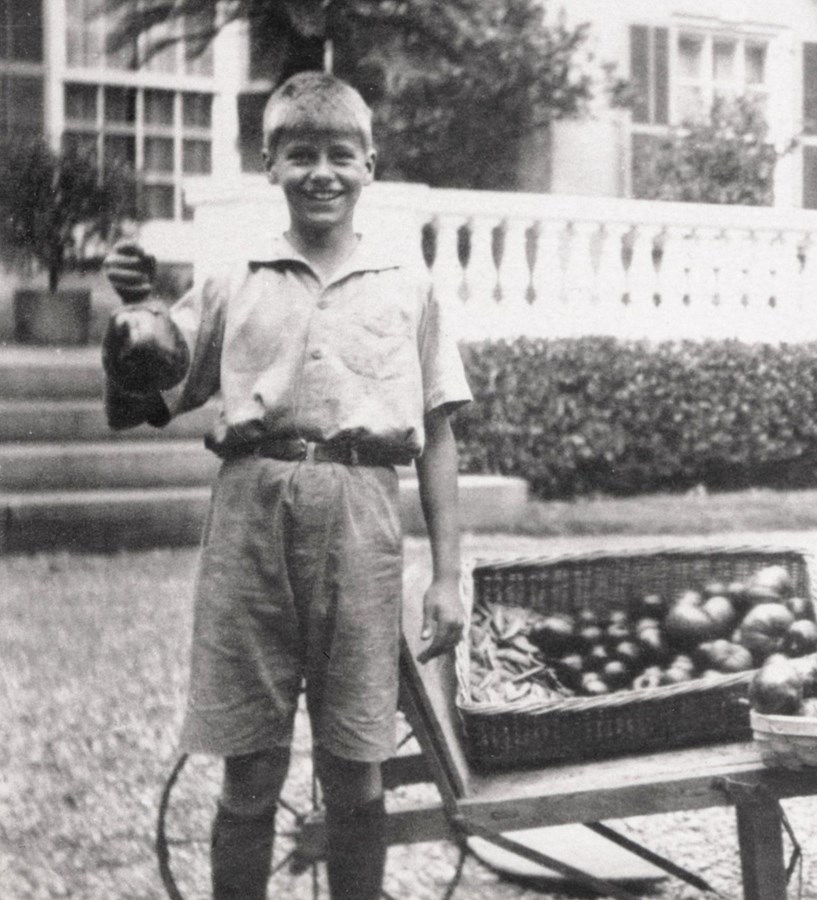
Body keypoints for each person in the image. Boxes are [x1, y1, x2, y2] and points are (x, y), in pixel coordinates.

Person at [101, 72, 472, 900]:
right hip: (251, 519)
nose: (322, 172)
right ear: (269, 163)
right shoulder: (236, 281)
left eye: (341, 154)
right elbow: (142, 405)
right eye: (300, 153)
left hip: (360, 522)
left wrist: (447, 579)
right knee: (250, 763)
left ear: (370, 164)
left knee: (356, 759)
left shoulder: (408, 286)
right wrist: (128, 324)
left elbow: (439, 436)